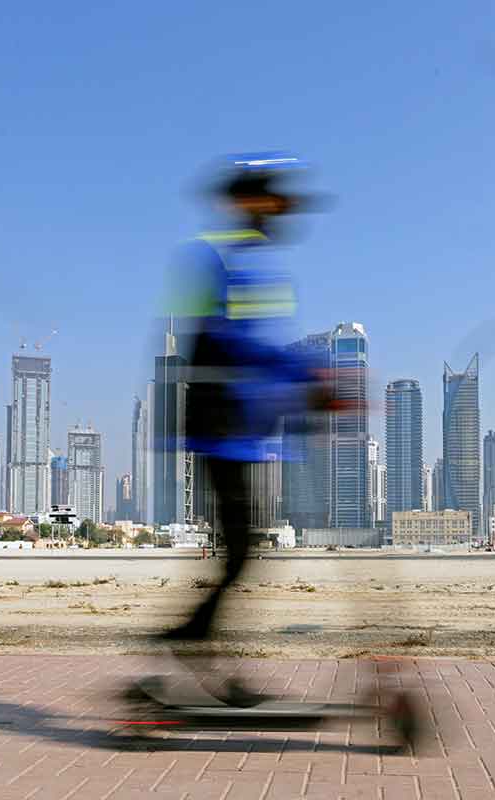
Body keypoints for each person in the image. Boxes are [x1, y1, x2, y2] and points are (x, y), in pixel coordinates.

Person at [160, 153, 329, 646]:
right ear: (249, 201)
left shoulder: (248, 259)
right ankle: (192, 645)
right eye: (274, 200)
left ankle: (193, 643)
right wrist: (306, 372)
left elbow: (256, 349)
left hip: (243, 433)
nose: (281, 212)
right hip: (222, 430)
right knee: (238, 554)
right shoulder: (218, 257)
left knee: (240, 555)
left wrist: (300, 382)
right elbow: (228, 341)